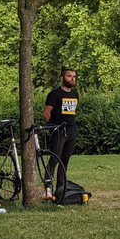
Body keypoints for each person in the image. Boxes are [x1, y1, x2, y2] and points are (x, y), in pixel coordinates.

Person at [42, 68, 79, 199]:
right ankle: (47, 188)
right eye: (69, 76)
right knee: (54, 159)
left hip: (71, 131)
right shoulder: (54, 94)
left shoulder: (75, 94)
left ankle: (60, 188)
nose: (72, 78)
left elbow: (74, 112)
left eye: (74, 76)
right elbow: (46, 112)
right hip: (58, 131)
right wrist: (53, 127)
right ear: (62, 78)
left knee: (65, 160)